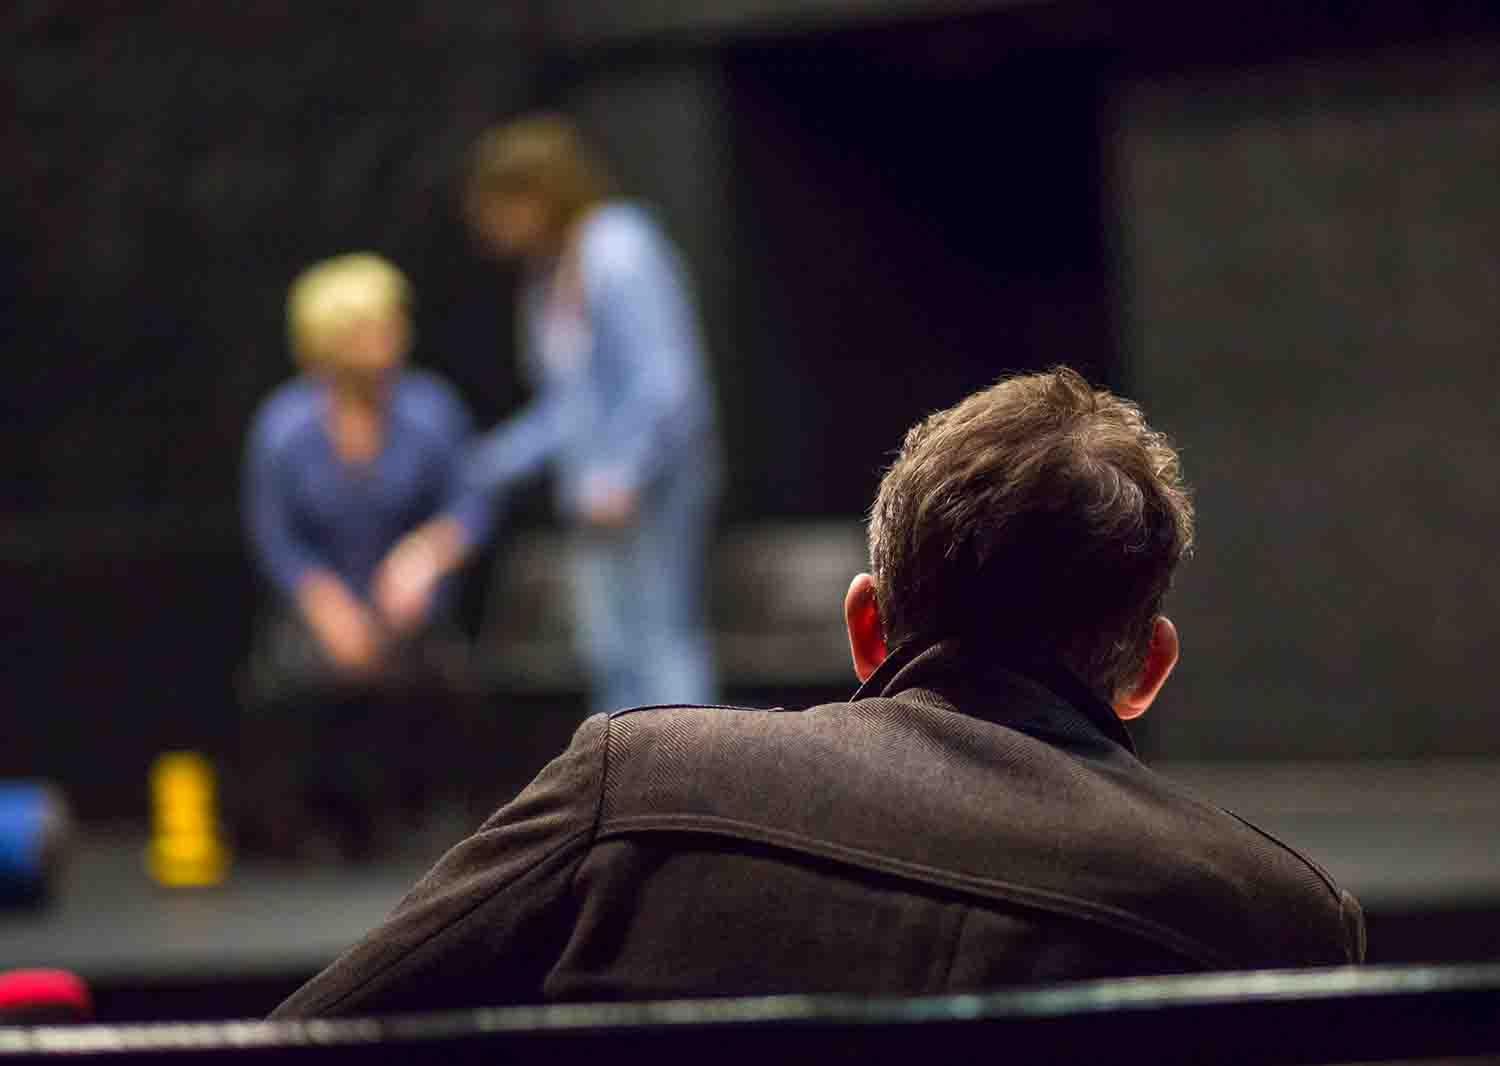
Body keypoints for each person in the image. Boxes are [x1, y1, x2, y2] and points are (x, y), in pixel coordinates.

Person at [274, 367, 1363, 1016]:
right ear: (1147, 668)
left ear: (863, 623)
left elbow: (305, 1042)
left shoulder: (637, 789)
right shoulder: (1277, 920)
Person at [380, 114, 722, 715]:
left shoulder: (618, 248)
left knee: (660, 644)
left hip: (649, 492)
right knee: (611, 652)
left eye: (495, 206)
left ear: (535, 194)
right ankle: (632, 791)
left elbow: (667, 382)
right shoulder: (545, 276)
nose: (488, 227)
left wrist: (625, 472)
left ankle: (689, 785)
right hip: (591, 497)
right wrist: (485, 464)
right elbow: (567, 411)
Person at [239, 253, 492, 858]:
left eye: (391, 321)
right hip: (321, 608)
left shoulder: (433, 409)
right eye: (366, 326)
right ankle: (313, 824)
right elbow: (274, 537)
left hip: (410, 608)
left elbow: (470, 505)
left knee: (433, 671)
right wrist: (323, 602)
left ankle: (426, 819)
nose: (387, 337)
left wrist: (426, 557)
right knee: (303, 673)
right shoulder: (283, 427)